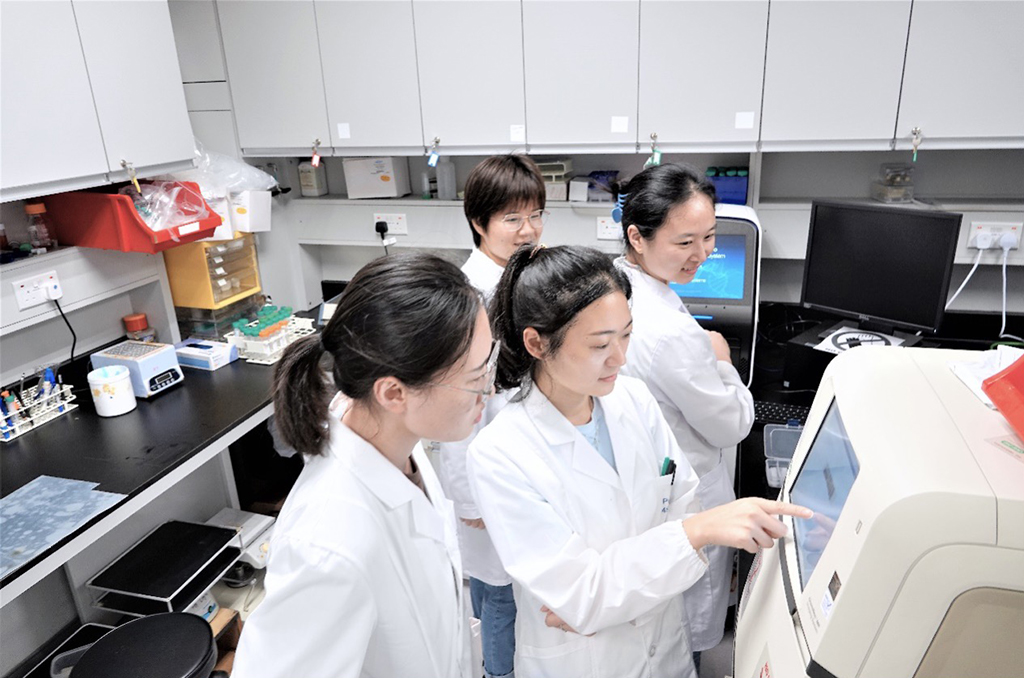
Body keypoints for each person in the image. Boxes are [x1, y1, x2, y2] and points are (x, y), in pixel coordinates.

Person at [467, 244, 810, 678]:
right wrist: (690, 537)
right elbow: (584, 594)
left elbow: (684, 503)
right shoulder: (501, 452)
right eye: (599, 345)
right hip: (584, 663)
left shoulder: (633, 399)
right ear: (536, 342)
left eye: (627, 335)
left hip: (666, 648)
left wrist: (608, 595)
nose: (621, 358)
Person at [232, 253, 493, 678]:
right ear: (394, 393)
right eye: (476, 376)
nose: (490, 387)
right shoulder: (330, 545)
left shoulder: (398, 445)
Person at [613, 163, 755, 668]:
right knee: (684, 635)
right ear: (638, 235)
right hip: (687, 493)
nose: (703, 253)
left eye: (711, 236)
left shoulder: (616, 287)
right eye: (685, 241)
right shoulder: (672, 334)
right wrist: (722, 362)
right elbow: (731, 425)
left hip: (645, 486)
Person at [436, 153, 547, 678]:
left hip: (520, 461)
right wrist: (467, 494)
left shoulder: (524, 278)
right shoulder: (471, 297)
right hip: (484, 469)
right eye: (511, 218)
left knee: (508, 589)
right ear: (479, 223)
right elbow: (458, 405)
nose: (528, 230)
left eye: (535, 215)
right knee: (500, 592)